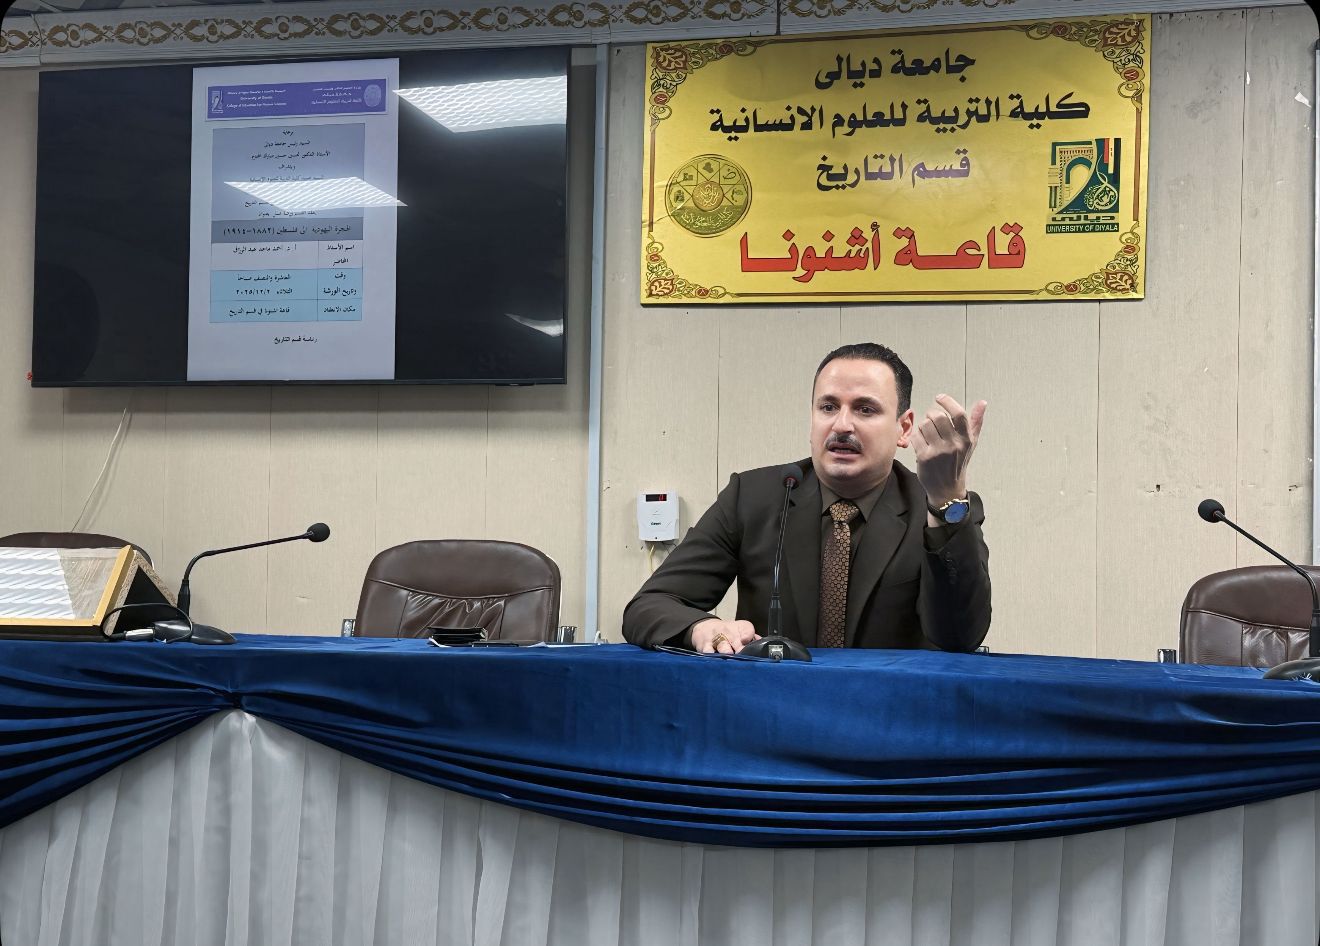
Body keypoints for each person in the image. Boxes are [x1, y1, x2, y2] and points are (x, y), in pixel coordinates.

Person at [622, 343, 991, 654]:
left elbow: (960, 637)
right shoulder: (753, 497)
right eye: (828, 407)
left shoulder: (937, 509)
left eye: (865, 409)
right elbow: (648, 606)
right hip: (772, 705)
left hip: (888, 709)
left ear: (904, 428)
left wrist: (945, 498)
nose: (842, 425)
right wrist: (701, 628)